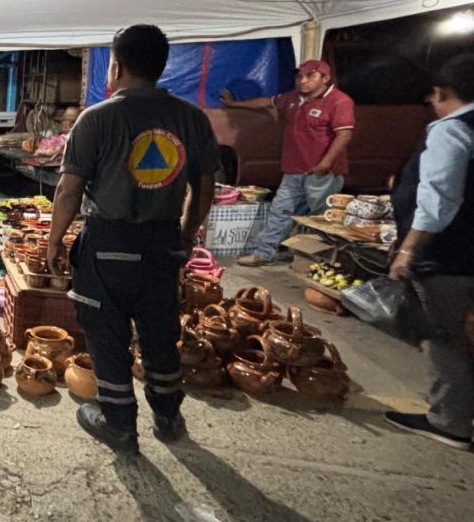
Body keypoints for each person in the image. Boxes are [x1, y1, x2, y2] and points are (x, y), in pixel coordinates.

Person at [46, 25, 219, 456]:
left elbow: (69, 190)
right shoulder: (192, 118)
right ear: (161, 66)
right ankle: (168, 417)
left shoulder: (97, 118)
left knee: (107, 335)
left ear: (117, 66)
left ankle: (119, 424)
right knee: (160, 333)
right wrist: (185, 235)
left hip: (108, 242)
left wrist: (54, 240)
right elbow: (205, 188)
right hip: (162, 242)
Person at [385, 53, 474, 451]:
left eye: (434, 96)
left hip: (451, 253)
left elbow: (439, 198)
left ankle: (449, 422)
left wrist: (408, 250)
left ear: (443, 93)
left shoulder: (451, 130)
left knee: (445, 339)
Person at [225, 60, 356, 266]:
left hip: (322, 173)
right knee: (280, 210)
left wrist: (325, 164)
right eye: (300, 76)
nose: (303, 81)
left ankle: (316, 261)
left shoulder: (339, 101)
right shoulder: (293, 98)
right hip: (294, 169)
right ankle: (264, 253)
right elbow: (266, 102)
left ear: (325, 78)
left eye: (310, 76)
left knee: (320, 218)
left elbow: (344, 135)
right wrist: (234, 105)